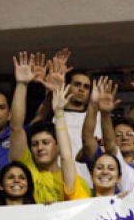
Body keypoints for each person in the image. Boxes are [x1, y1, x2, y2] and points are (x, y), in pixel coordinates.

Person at [9, 52, 90, 203]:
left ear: (58, 147)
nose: (40, 148)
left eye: (46, 143)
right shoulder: (26, 171)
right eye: (35, 144)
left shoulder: (76, 182)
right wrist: (21, 85)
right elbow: (16, 127)